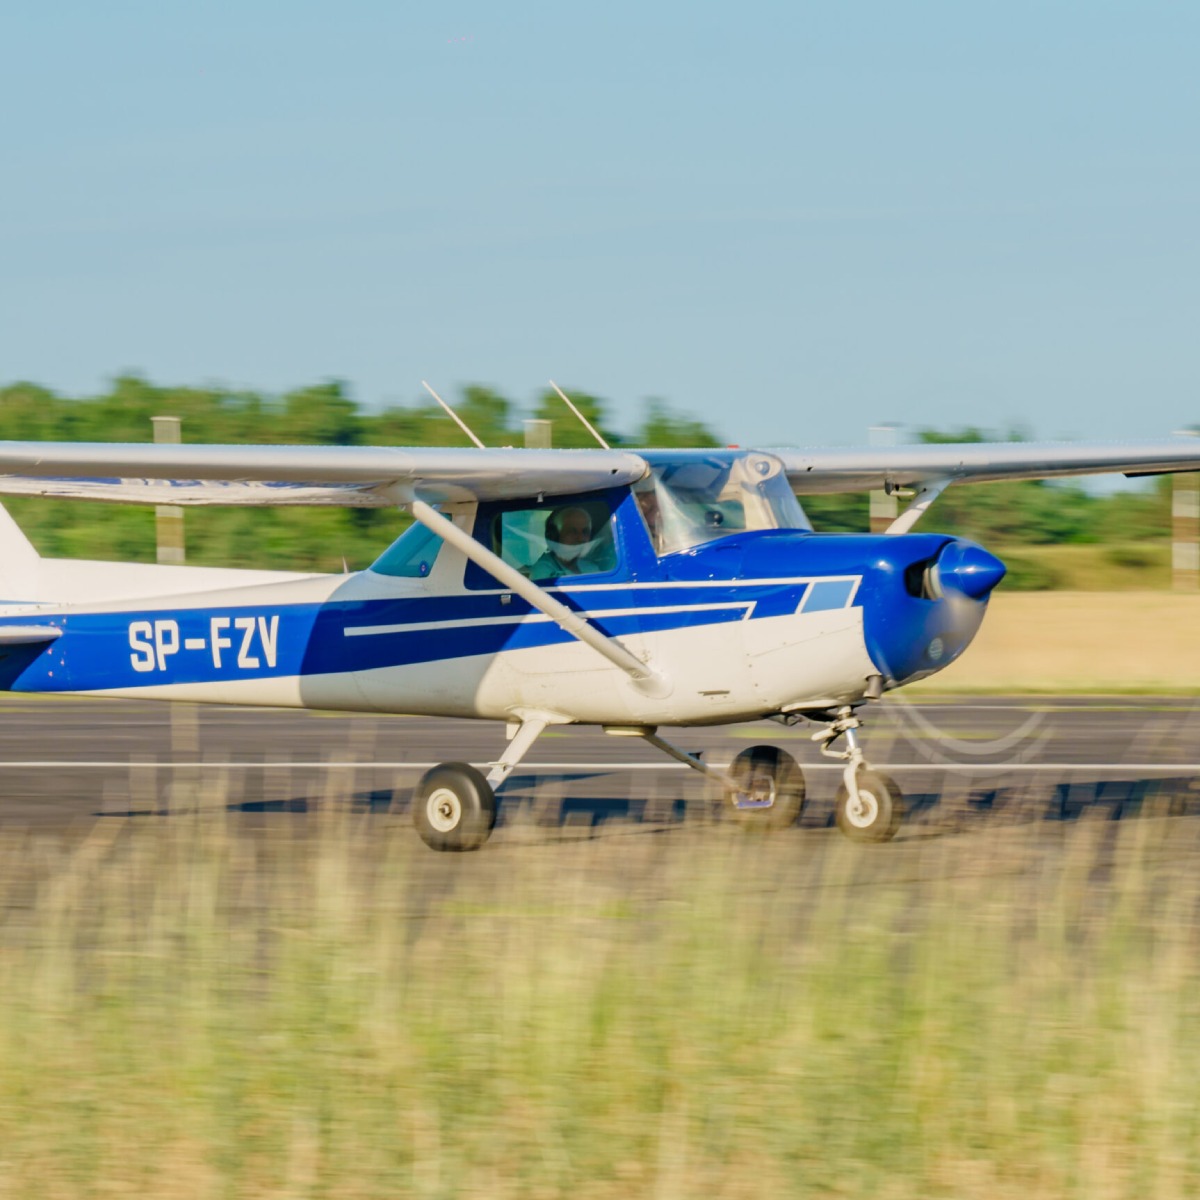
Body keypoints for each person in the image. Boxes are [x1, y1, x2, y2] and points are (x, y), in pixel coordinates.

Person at [528, 505, 608, 579]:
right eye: (572, 532)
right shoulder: (542, 571)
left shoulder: (590, 567)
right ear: (553, 536)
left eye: (585, 532)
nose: (580, 538)